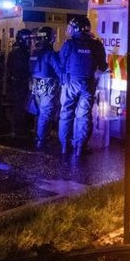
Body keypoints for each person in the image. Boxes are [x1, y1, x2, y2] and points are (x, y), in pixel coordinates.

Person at [58, 16, 107, 156]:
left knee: (66, 113)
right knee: (84, 116)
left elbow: (61, 63)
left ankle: (64, 146)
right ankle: (80, 148)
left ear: (77, 28)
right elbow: (102, 67)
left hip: (70, 84)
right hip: (87, 84)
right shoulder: (96, 45)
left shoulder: (69, 44)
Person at [29, 26, 61, 148]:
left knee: (39, 112)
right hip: (48, 87)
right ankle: (41, 140)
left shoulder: (34, 52)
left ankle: (39, 135)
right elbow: (59, 70)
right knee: (45, 113)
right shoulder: (50, 54)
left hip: (35, 86)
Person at [7, 29, 32, 138]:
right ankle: (17, 130)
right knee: (19, 108)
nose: (30, 42)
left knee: (22, 107)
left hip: (21, 83)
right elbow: (20, 68)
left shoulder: (24, 52)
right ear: (21, 40)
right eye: (27, 39)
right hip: (19, 83)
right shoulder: (18, 53)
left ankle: (21, 128)